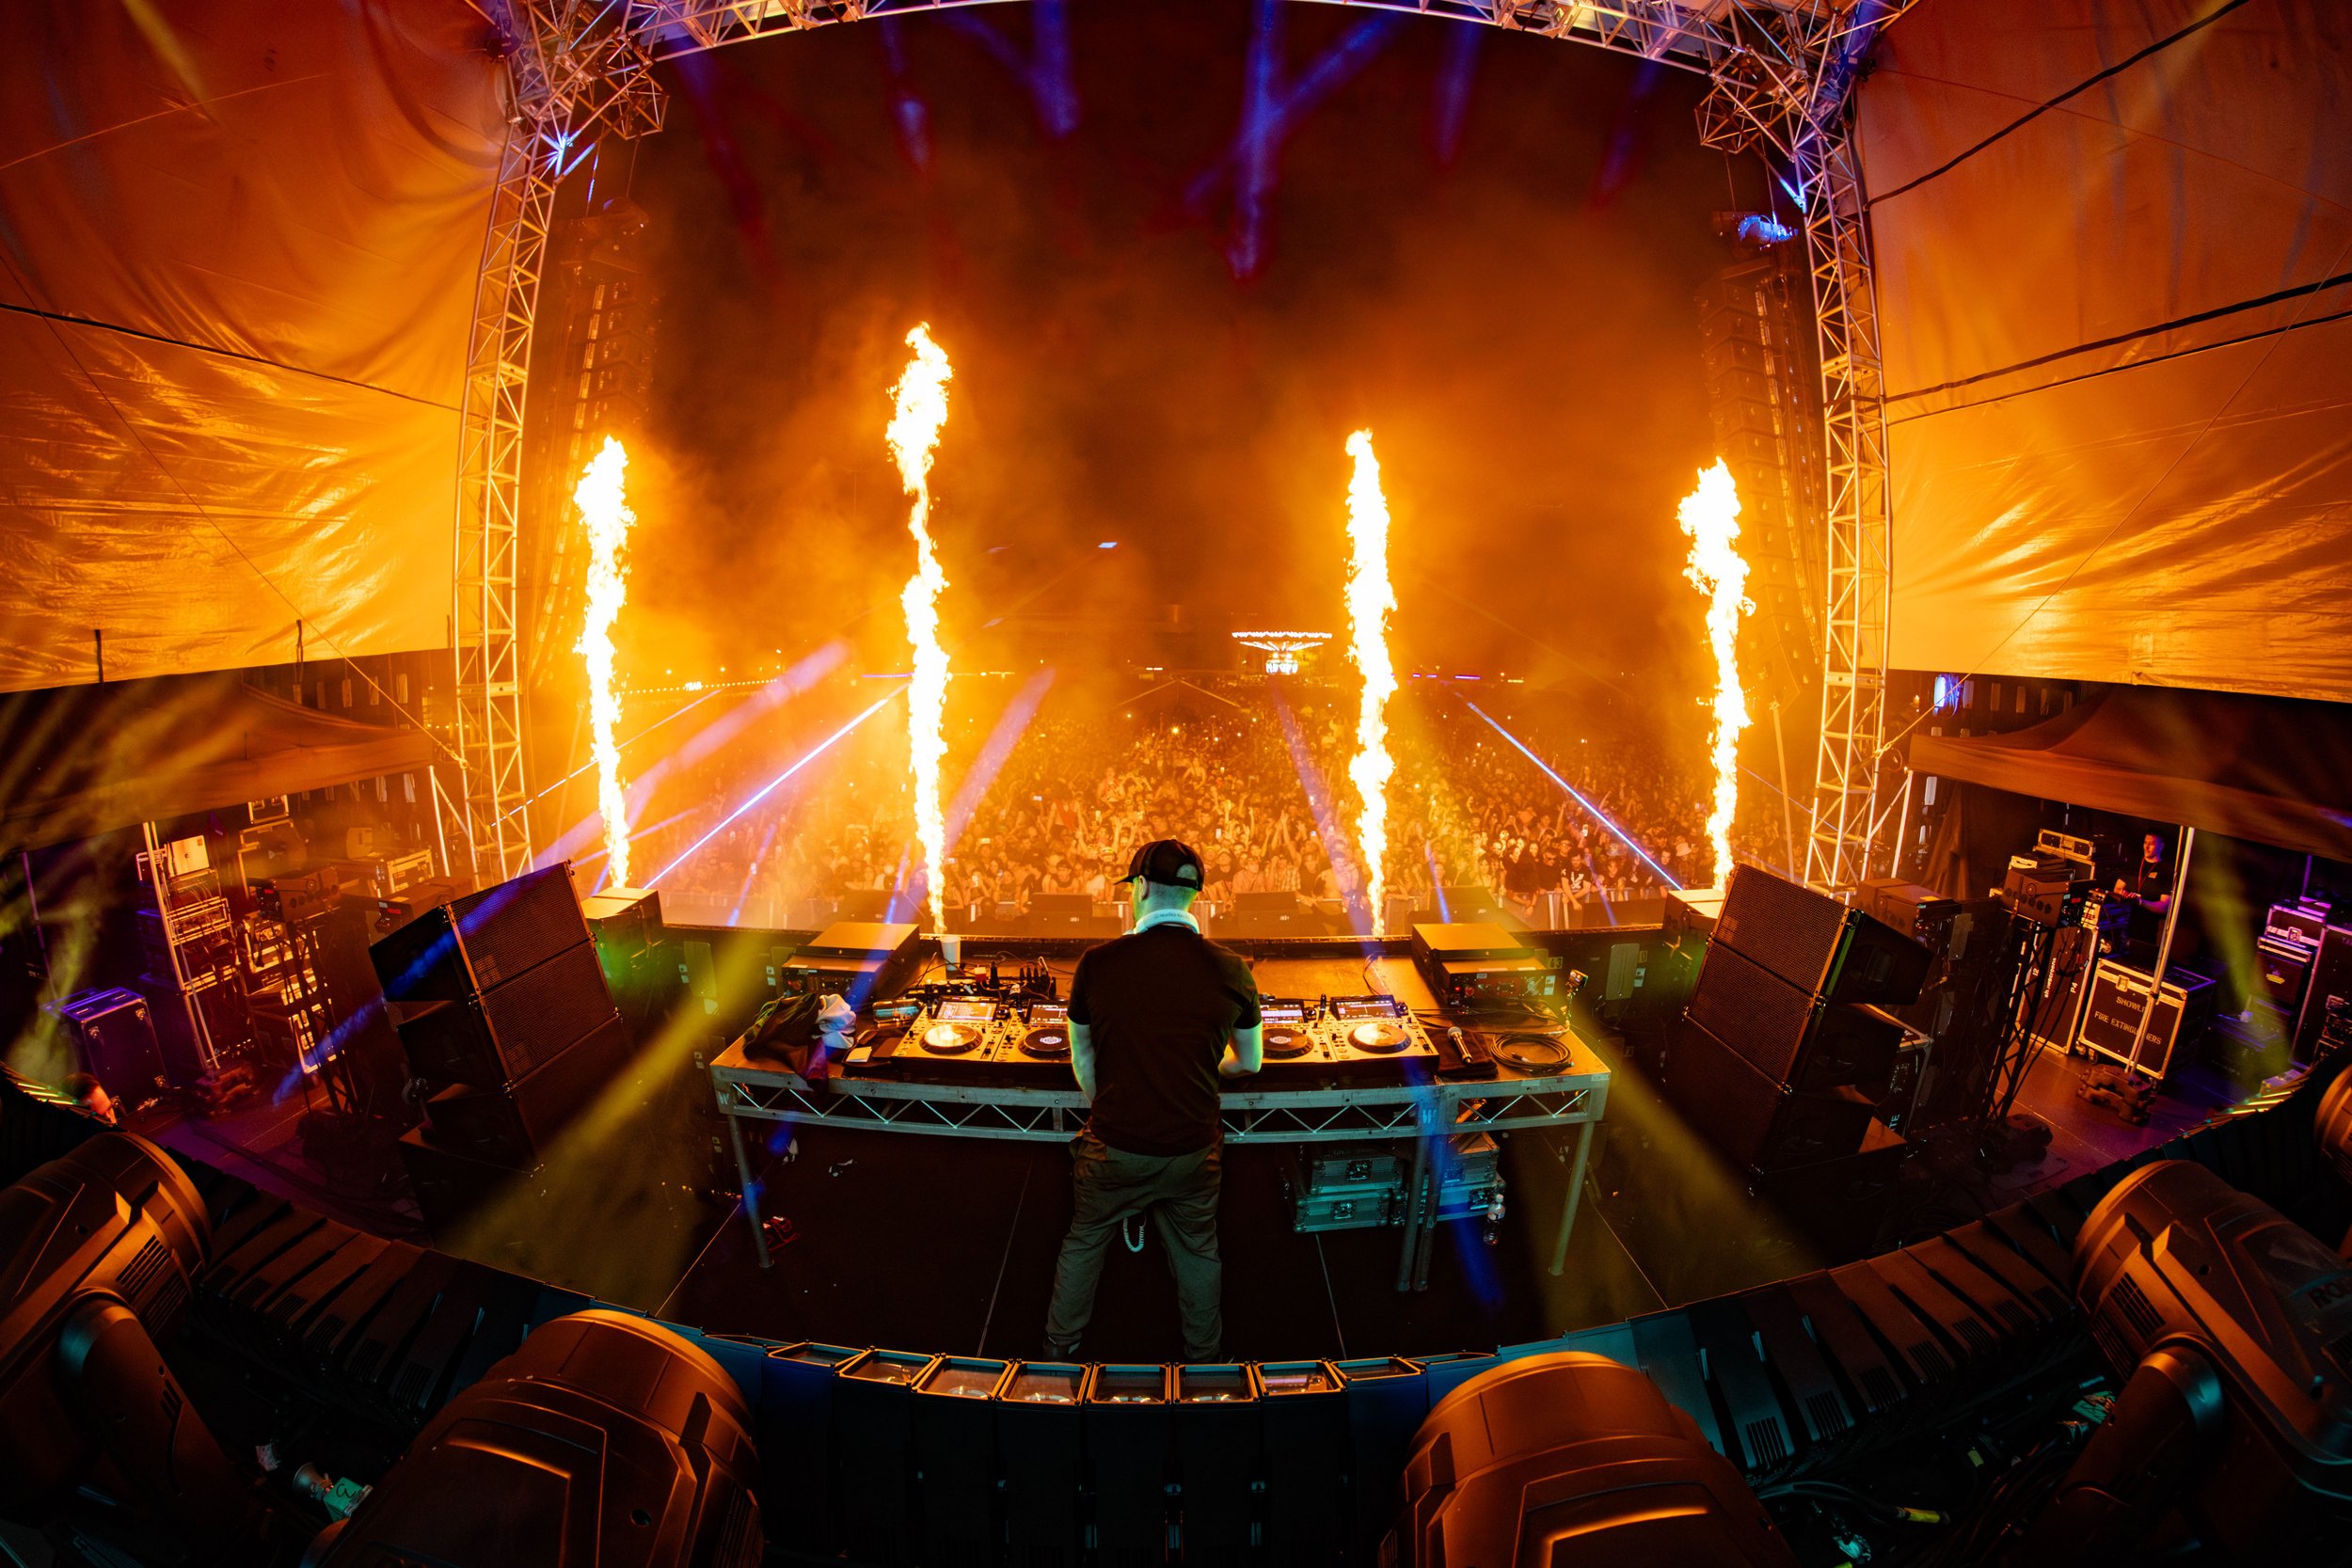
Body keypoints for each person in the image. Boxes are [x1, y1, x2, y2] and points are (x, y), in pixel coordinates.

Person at [1042, 839, 1263, 1363]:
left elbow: (1083, 1057)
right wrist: (1196, 1073)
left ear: (1139, 888)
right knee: (1197, 1250)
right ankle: (1204, 1361)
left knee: (1086, 1238)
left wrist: (1112, 1110)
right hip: (1191, 1150)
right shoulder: (1231, 968)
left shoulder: (1098, 964)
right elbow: (1249, 1063)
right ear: (1195, 896)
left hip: (1115, 1146)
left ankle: (1057, 1352)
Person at [2116, 831, 2174, 962]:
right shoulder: (2134, 864)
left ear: (2161, 846)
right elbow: (2117, 888)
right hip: (2122, 924)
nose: (2146, 847)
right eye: (2145, 843)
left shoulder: (2166, 871)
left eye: (2151, 844)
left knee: (2137, 962)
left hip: (2146, 930)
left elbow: (2164, 906)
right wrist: (2123, 894)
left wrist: (2141, 902)